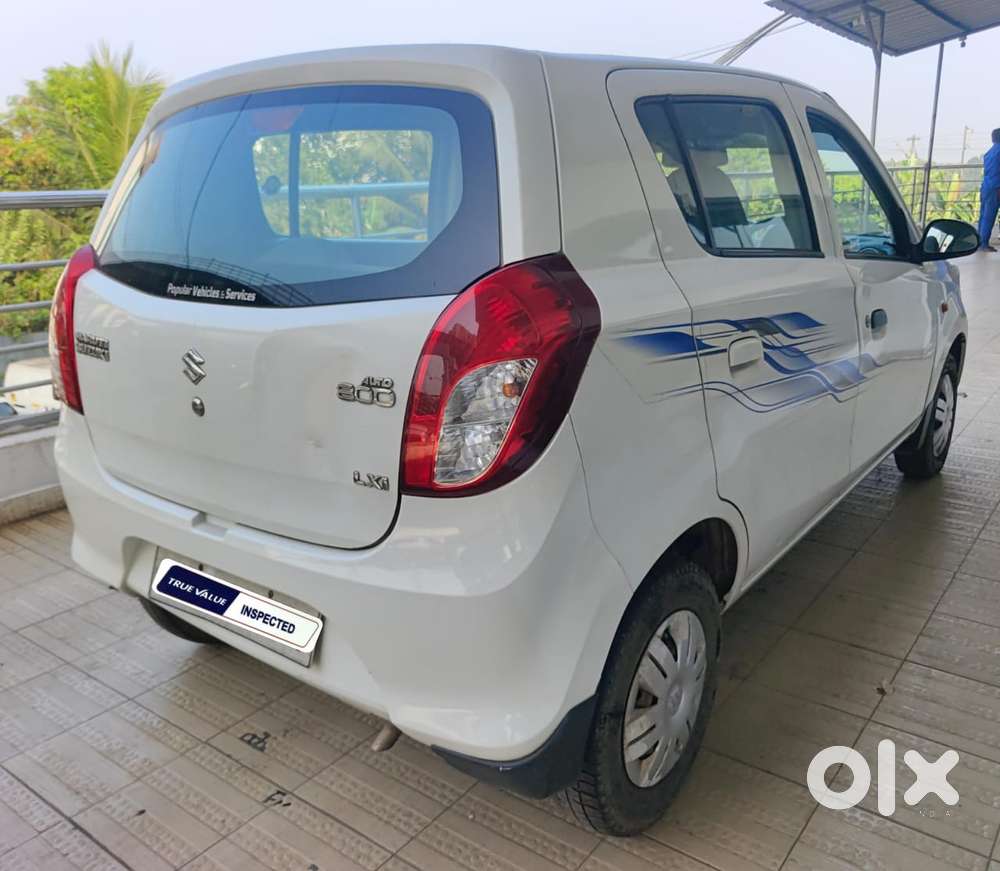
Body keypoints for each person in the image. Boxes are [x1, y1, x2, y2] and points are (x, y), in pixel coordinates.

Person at [979, 129, 1000, 252]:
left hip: (986, 186)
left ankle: (980, 242)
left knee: (983, 215)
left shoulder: (989, 153)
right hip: (996, 187)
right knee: (989, 216)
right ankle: (983, 244)